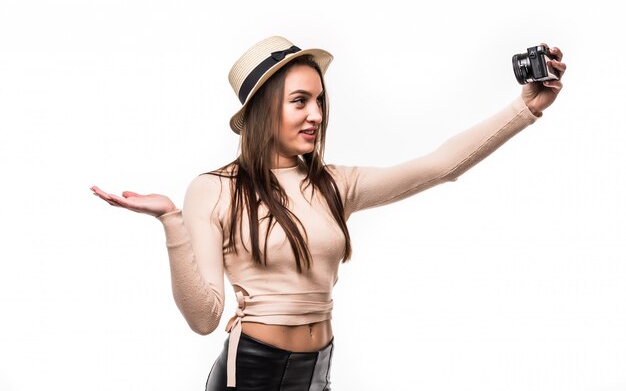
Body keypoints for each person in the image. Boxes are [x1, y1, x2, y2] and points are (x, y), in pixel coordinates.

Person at [91, 36, 566, 391]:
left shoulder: (335, 185)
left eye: (319, 100)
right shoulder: (214, 190)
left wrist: (526, 108)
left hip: (318, 370)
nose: (316, 114)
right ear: (262, 111)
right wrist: (170, 220)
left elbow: (440, 166)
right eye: (300, 101)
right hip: (251, 373)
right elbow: (204, 317)